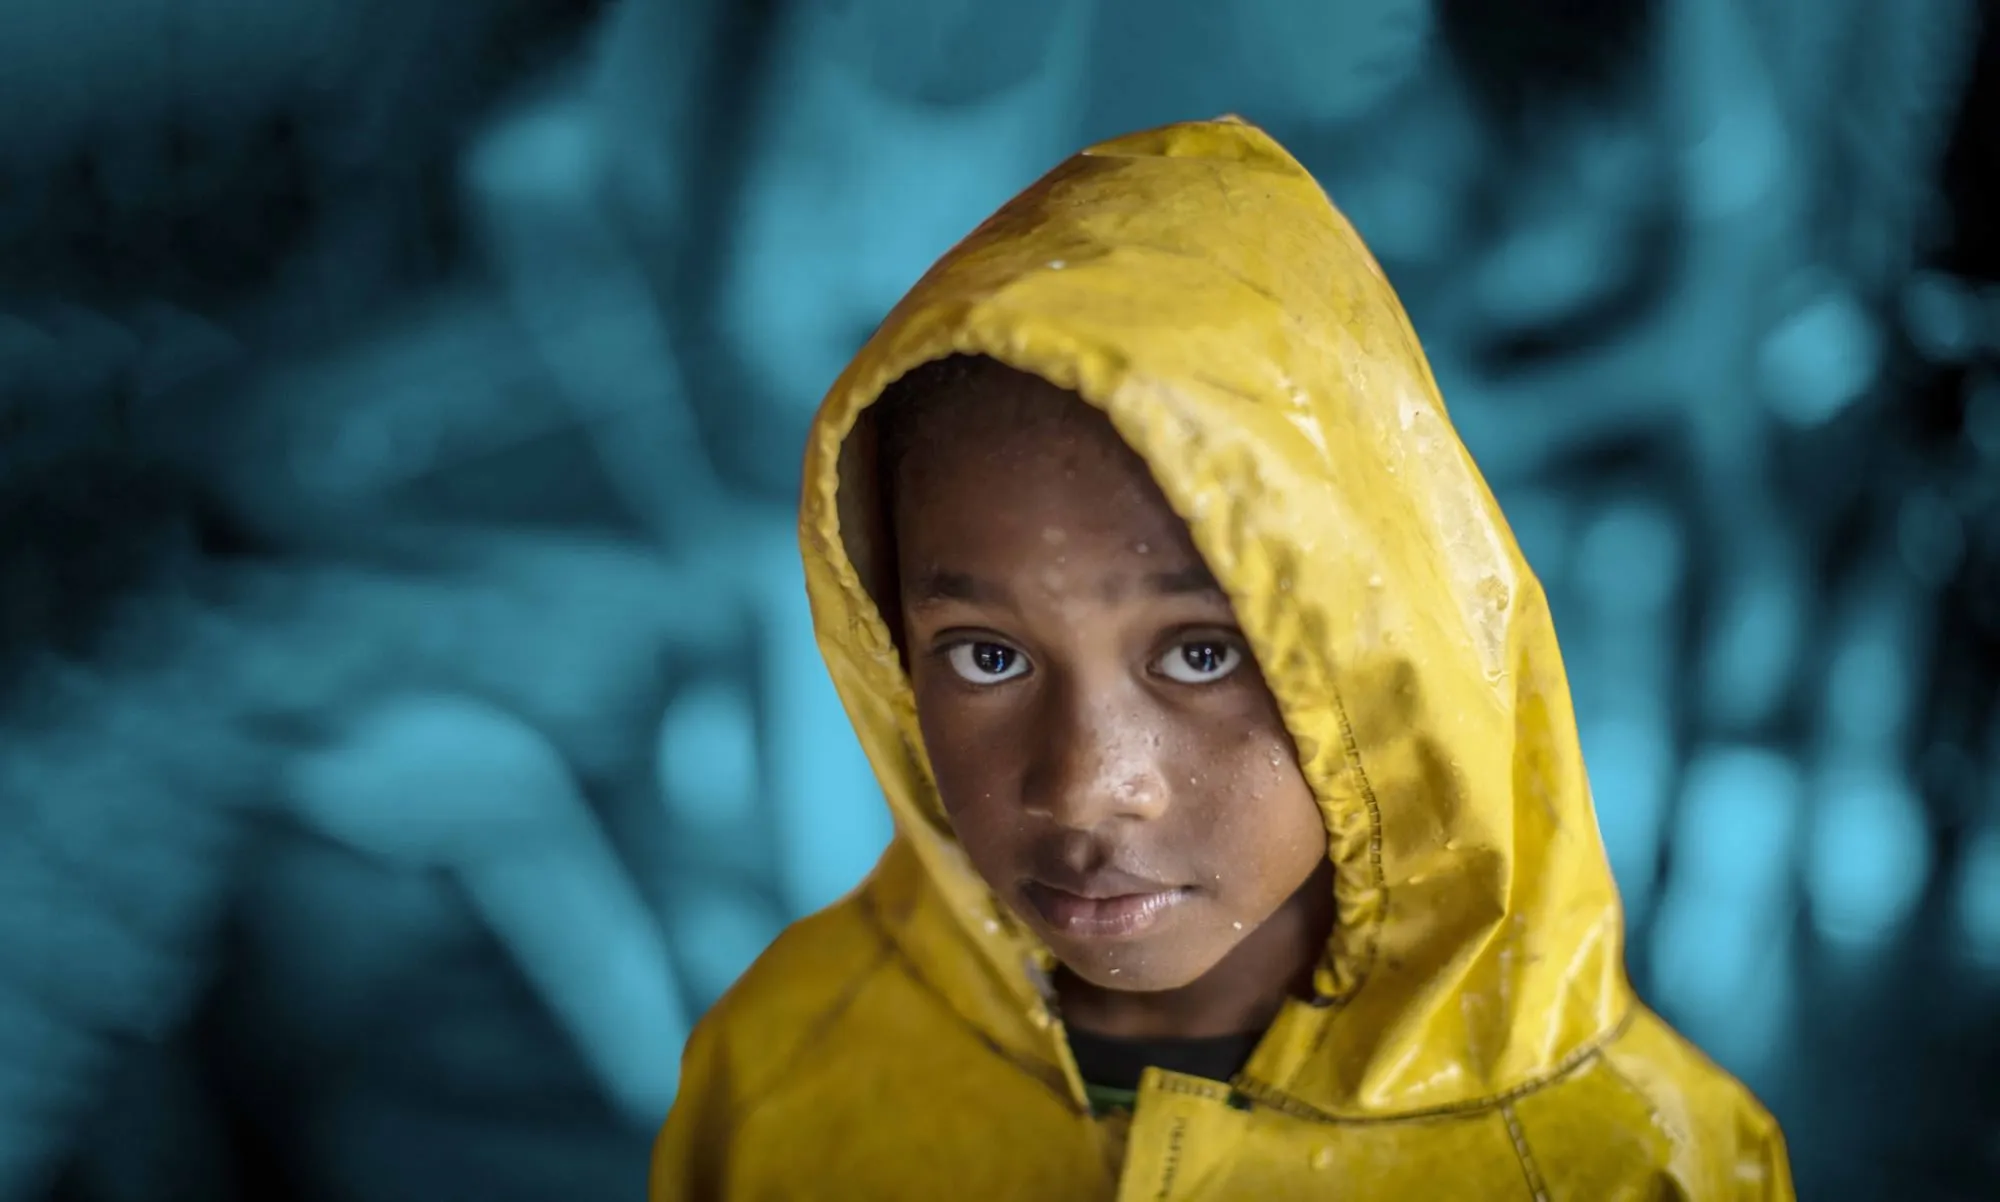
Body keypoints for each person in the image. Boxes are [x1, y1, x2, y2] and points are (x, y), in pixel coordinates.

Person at [650, 116, 1793, 1200]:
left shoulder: (1623, 1164)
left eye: (1201, 652)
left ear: (1383, 649)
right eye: (986, 655)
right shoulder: (786, 1067)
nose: (1087, 783)